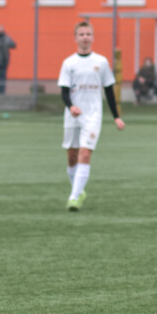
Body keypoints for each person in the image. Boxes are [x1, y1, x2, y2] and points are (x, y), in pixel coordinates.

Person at [58, 21, 124, 210]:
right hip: (72, 117)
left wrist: (116, 116)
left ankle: (73, 198)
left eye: (88, 34)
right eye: (81, 34)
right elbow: (63, 91)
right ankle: (78, 191)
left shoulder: (101, 62)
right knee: (72, 156)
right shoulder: (69, 63)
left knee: (84, 154)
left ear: (93, 37)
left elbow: (109, 91)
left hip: (93, 116)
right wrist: (71, 106)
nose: (85, 38)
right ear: (75, 38)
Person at [0, 26, 16, 95]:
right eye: (0, 30)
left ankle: (2, 92)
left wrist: (7, 42)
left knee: (3, 78)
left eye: (2, 30)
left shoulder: (6, 38)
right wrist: (5, 44)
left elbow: (13, 45)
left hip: (4, 62)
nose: (1, 32)